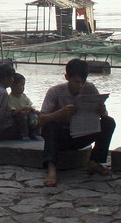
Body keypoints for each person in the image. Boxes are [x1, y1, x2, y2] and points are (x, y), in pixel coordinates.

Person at [39, 58, 116, 187]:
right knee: (50, 125)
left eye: (83, 82)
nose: (80, 86)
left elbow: (104, 115)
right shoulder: (55, 92)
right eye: (76, 82)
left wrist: (102, 111)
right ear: (67, 77)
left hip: (82, 134)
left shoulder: (89, 88)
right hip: (61, 137)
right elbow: (41, 120)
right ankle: (51, 168)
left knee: (109, 122)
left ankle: (94, 161)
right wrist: (61, 113)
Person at [8, 73, 42, 140]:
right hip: (16, 119)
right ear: (13, 85)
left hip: (27, 115)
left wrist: (33, 110)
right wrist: (24, 108)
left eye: (24, 85)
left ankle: (35, 133)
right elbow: (13, 113)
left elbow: (30, 106)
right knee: (22, 114)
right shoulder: (9, 98)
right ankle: (24, 135)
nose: (23, 88)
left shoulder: (24, 96)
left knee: (38, 113)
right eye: (21, 85)